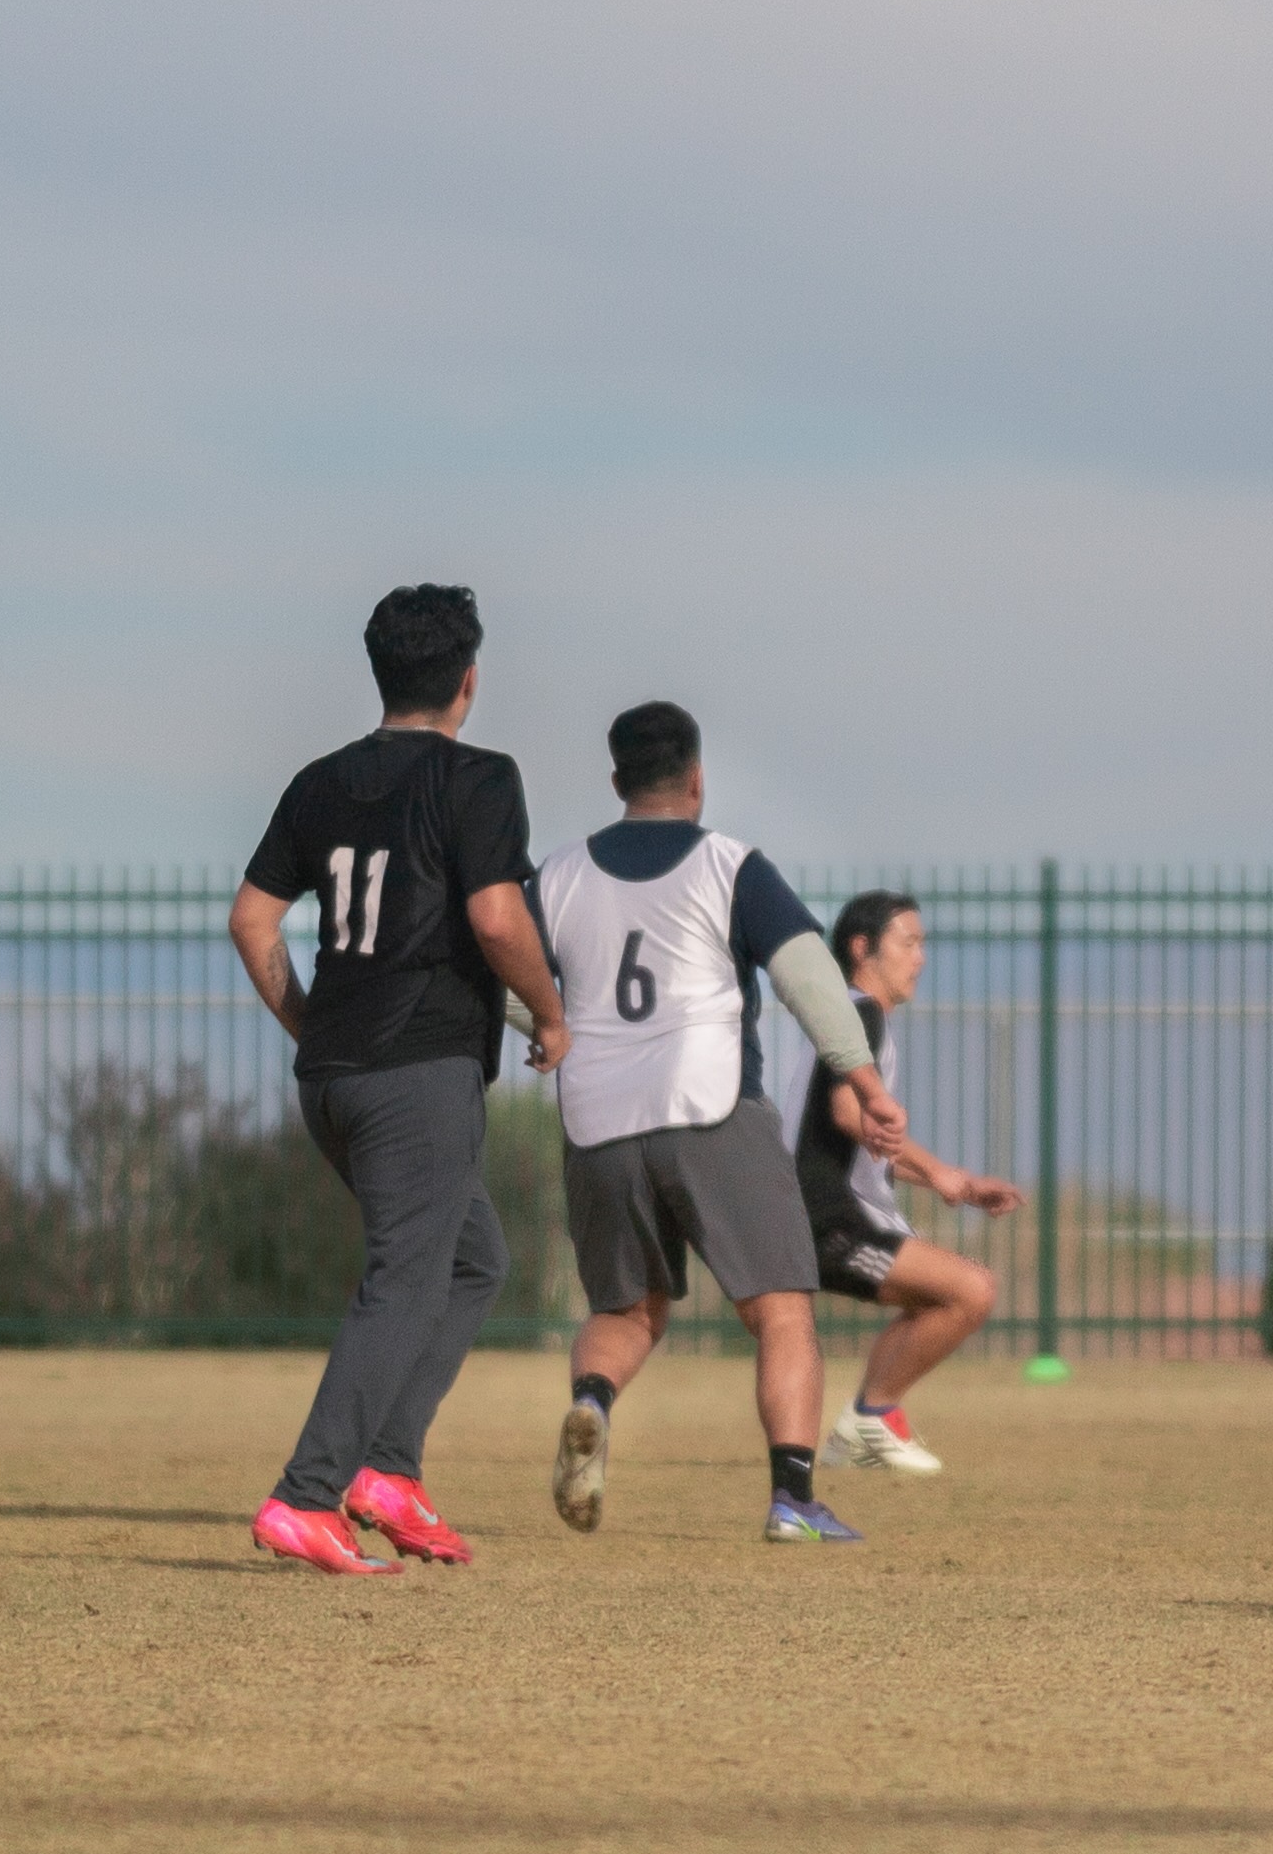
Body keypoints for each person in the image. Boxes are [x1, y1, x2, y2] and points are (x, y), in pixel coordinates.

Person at [228, 581, 568, 1574]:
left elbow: (252, 920)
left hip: (333, 1075)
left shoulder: (318, 782)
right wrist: (549, 1014)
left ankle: (387, 1471)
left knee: (470, 1260)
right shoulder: (480, 779)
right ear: (467, 681)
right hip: (418, 1071)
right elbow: (499, 921)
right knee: (404, 1276)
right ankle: (305, 1494)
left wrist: (307, 1020)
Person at [536, 703, 893, 1546]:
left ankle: (591, 1403)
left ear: (616, 781)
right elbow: (807, 975)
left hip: (597, 1120)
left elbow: (512, 983)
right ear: (695, 779)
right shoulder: (729, 865)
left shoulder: (551, 877)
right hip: (710, 1105)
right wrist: (864, 1079)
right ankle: (793, 1500)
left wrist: (549, 1031)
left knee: (626, 1308)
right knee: (780, 1311)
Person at [796, 888, 1023, 1475]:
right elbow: (849, 1113)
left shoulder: (850, 1017)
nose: (920, 957)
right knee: (971, 1291)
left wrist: (957, 1183)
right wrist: (943, 1173)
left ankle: (862, 1428)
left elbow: (855, 1137)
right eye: (910, 942)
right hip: (827, 1220)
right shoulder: (861, 1013)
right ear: (862, 948)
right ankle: (872, 1416)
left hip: (831, 1212)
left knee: (947, 1296)